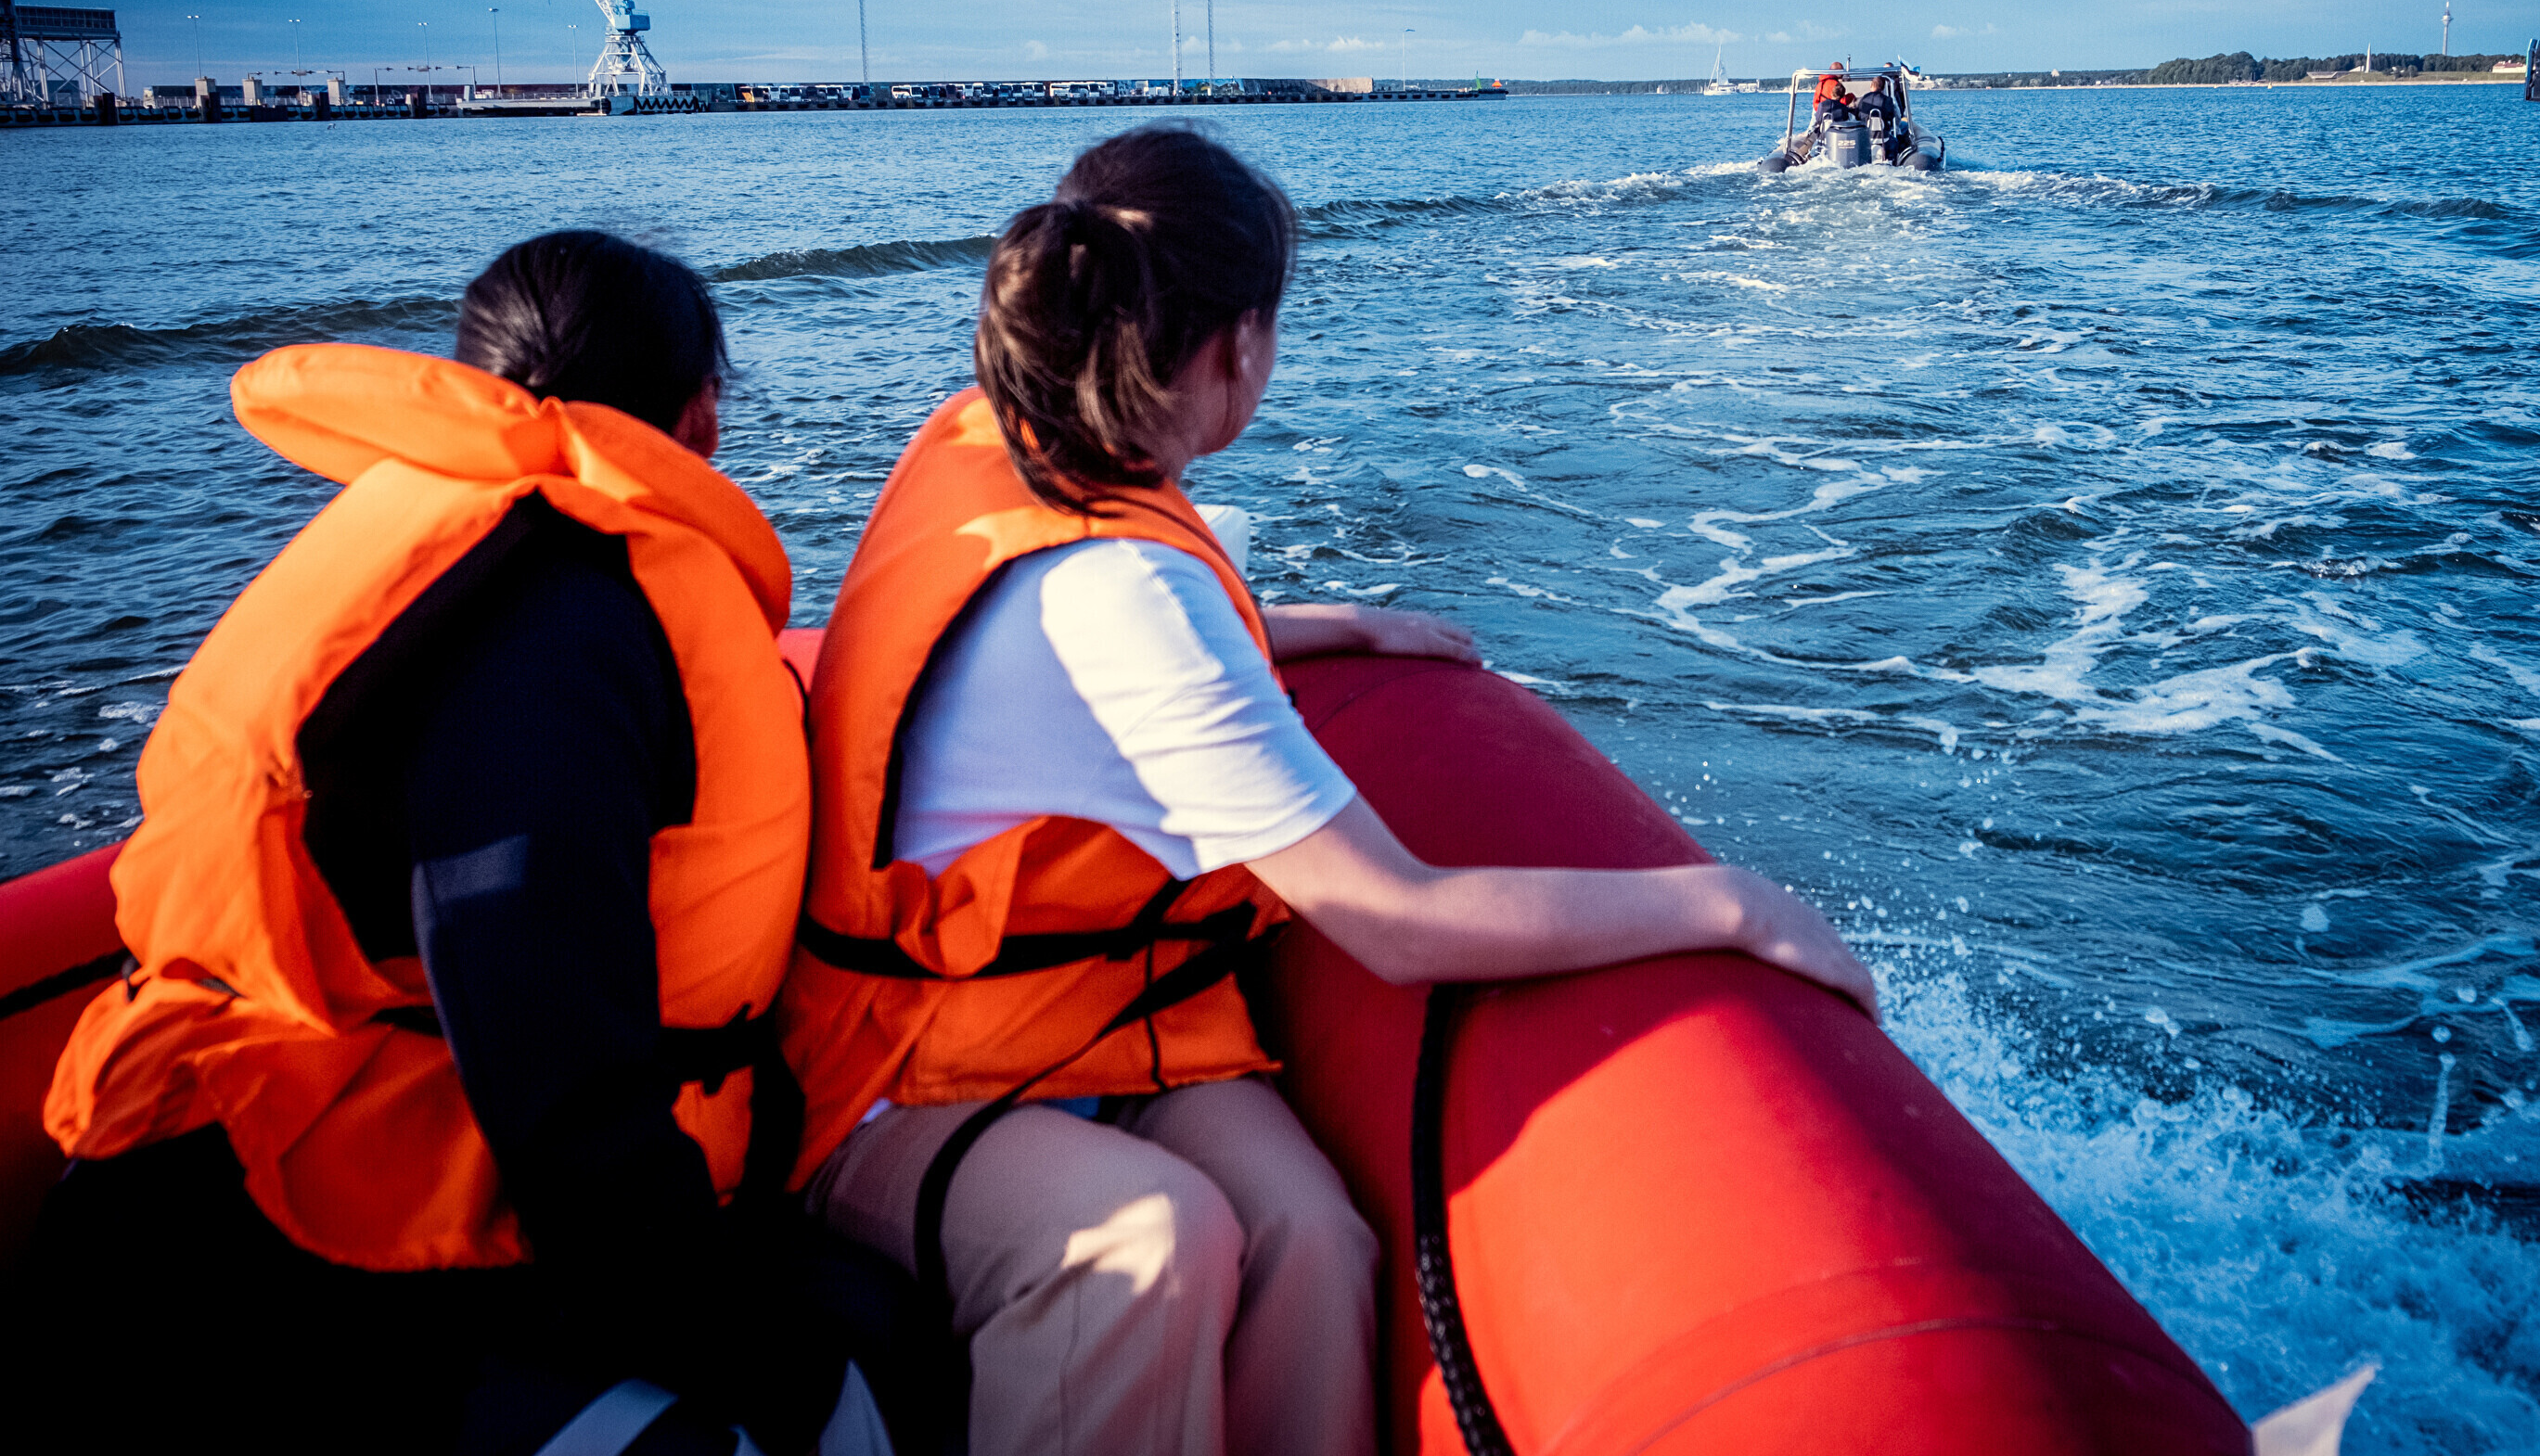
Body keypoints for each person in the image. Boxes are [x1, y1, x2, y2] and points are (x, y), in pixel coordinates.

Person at [782, 125, 1876, 1456]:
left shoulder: (999, 442)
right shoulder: (1128, 594)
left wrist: (1316, 623)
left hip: (1073, 1024)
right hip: (902, 1076)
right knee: (1154, 1242)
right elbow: (1396, 919)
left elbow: (1074, 639)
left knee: (1312, 1238)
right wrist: (1732, 907)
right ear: (1235, 347)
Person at [25, 233, 847, 1455]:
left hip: (220, 1162)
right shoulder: (570, 617)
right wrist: (748, 1356)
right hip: (289, 1256)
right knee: (844, 1391)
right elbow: (543, 1044)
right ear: (700, 416)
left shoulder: (455, 552)